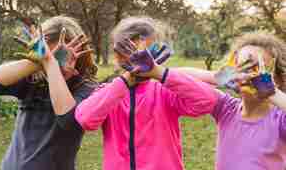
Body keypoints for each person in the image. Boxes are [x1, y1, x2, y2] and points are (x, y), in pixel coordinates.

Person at [44, 16, 219, 170]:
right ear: (118, 55)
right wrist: (127, 80)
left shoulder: (165, 90)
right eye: (130, 52)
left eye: (146, 53)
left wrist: (159, 73)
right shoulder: (109, 92)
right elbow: (85, 119)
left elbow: (208, 101)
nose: (140, 59)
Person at [0, 16, 97, 170]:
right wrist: (38, 61)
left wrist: (51, 65)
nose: (52, 61)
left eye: (61, 55)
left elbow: (69, 121)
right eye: (49, 55)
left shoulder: (87, 88)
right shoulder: (33, 79)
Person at [178, 32, 286, 170]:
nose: (248, 76)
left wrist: (273, 93)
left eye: (258, 69)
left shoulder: (280, 119)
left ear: (278, 79)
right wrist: (217, 77)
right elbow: (177, 77)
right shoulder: (226, 108)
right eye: (242, 68)